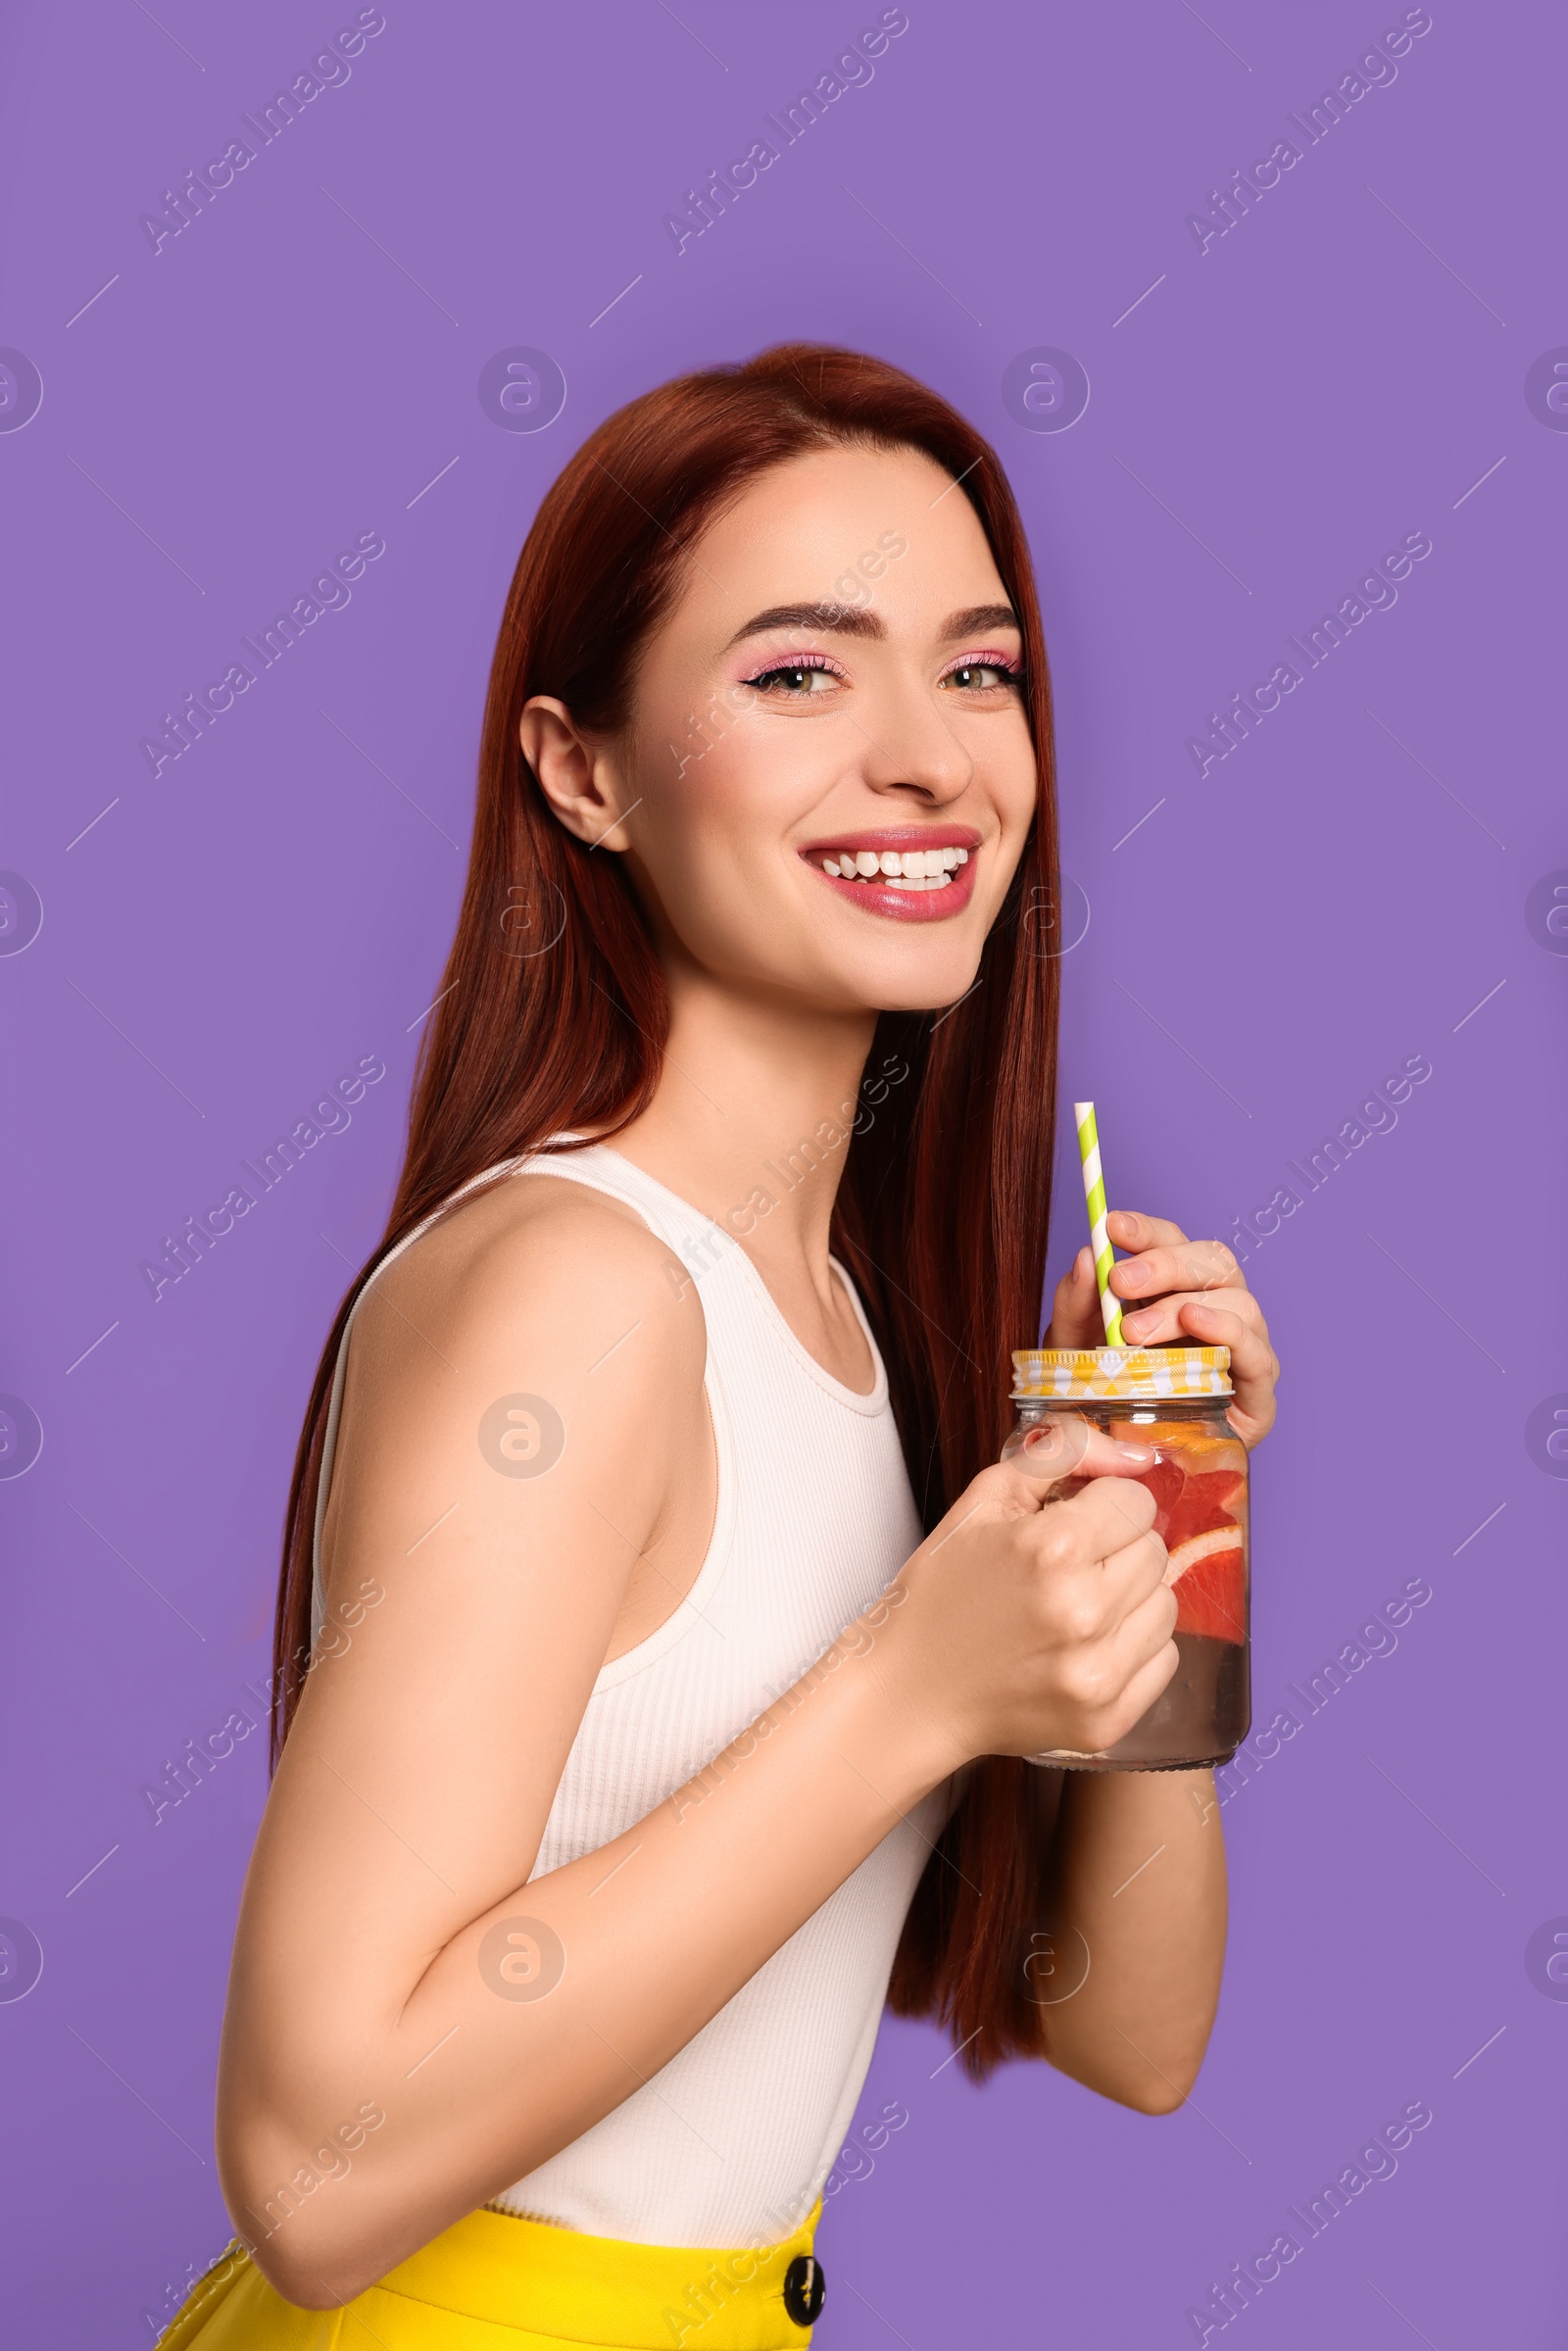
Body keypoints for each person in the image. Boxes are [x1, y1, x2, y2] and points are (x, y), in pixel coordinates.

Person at [162, 344, 1279, 2348]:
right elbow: (314, 2168)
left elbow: (1123, 2026)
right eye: (794, 673)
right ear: (578, 769)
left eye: (977, 667)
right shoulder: (576, 1292)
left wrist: (1160, 1537)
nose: (932, 759)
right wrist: (910, 1688)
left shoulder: (851, 1327)